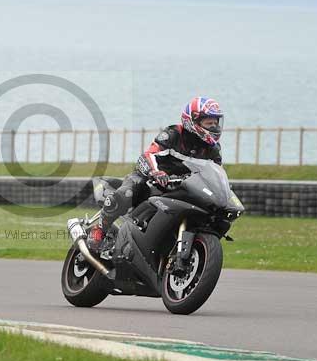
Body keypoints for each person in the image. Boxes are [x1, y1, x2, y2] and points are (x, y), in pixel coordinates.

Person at [91, 96, 224, 248]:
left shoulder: (213, 149)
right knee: (126, 194)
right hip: (151, 178)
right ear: (193, 121)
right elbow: (149, 154)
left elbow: (216, 174)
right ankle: (99, 230)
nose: (214, 126)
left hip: (181, 188)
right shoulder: (173, 134)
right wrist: (156, 172)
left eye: (216, 122)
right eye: (209, 122)